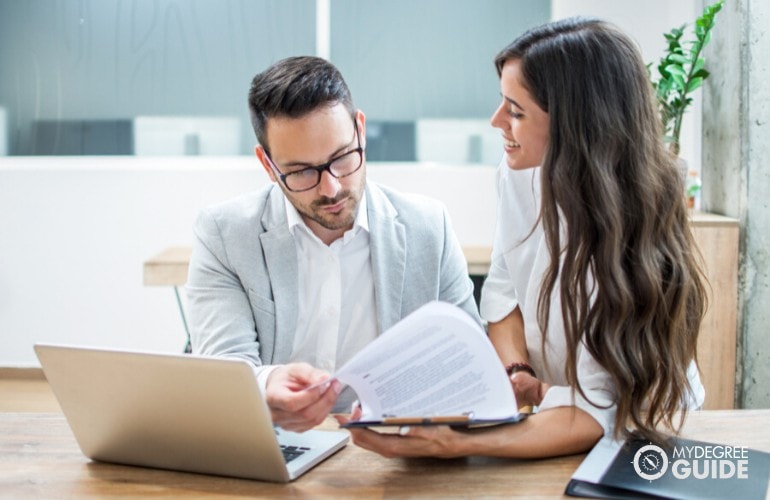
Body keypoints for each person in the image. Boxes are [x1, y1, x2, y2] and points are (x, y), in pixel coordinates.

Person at [337, 17, 707, 458]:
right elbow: (504, 293)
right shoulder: (519, 176)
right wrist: (516, 374)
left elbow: (597, 412)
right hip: (559, 416)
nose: (496, 121)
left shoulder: (628, 226)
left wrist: (451, 444)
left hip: (646, 434)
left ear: (576, 126)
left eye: (515, 111)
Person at [185, 56, 480, 433]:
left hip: (397, 454)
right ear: (268, 165)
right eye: (302, 171)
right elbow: (224, 370)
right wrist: (264, 385)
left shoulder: (428, 227)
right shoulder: (225, 235)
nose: (332, 188)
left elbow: (467, 361)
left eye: (342, 158)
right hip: (276, 447)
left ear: (359, 129)